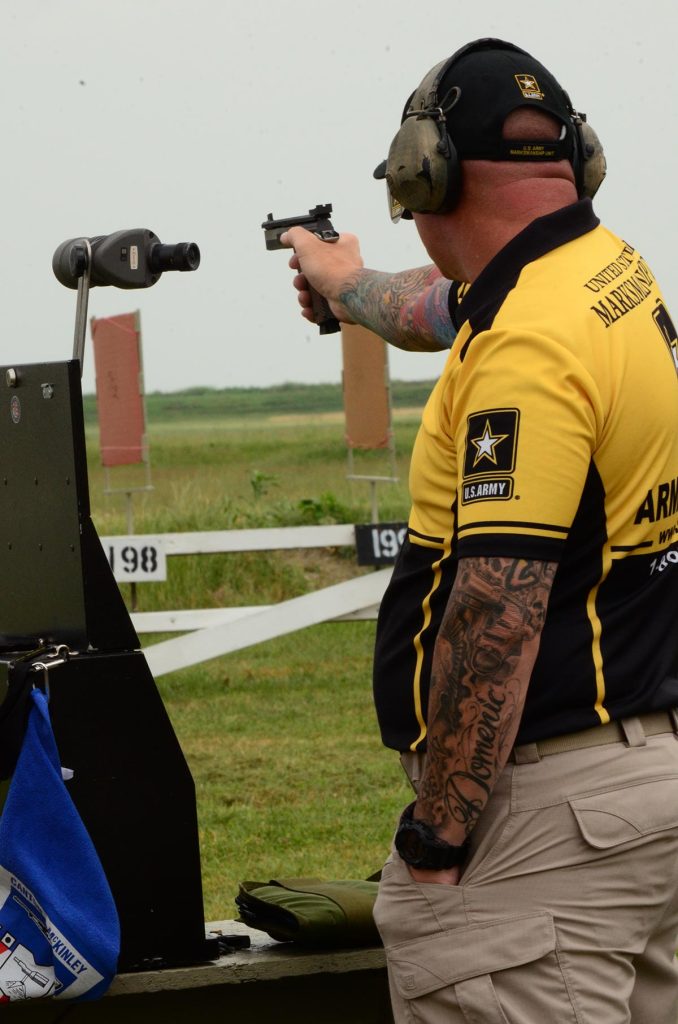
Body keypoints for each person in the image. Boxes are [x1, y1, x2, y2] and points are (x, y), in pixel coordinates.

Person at [280, 37, 678, 1024]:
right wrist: (343, 286)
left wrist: (438, 837)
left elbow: (498, 612)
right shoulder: (603, 273)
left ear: (428, 171)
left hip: (547, 820)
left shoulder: (530, 347)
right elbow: (435, 307)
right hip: (639, 794)